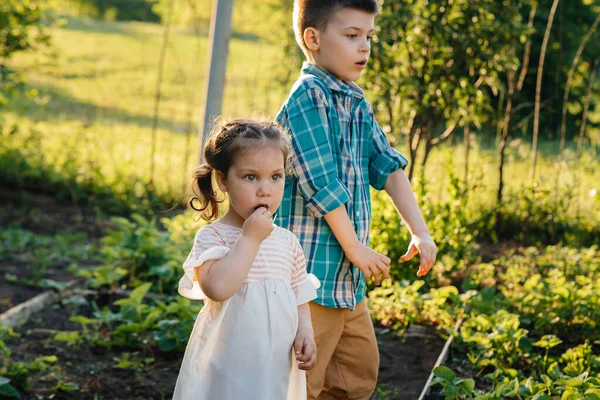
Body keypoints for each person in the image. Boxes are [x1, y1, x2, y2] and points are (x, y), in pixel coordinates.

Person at [275, 1, 439, 398]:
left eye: (368, 37)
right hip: (309, 284)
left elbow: (388, 166)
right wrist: (355, 248)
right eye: (351, 36)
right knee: (302, 382)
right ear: (313, 39)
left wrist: (419, 231)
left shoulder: (354, 101)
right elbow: (322, 186)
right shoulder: (306, 99)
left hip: (348, 285)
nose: (364, 47)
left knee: (357, 375)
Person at [173, 118, 320, 400]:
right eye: (250, 177)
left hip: (274, 361)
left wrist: (306, 330)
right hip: (228, 364)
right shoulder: (213, 237)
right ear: (223, 180)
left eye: (275, 177)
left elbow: (299, 292)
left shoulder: (287, 241)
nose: (265, 189)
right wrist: (250, 239)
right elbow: (217, 288)